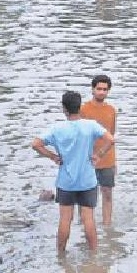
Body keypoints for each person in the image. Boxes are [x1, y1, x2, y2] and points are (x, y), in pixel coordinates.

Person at [33, 91, 113, 255]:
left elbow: (36, 144)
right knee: (88, 218)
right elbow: (110, 139)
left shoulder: (57, 128)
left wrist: (52, 156)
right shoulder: (90, 125)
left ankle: (61, 254)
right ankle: (93, 254)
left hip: (66, 181)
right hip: (87, 180)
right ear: (79, 107)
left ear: (64, 109)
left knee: (65, 219)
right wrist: (99, 155)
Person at [77, 75, 119, 229]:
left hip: (107, 159)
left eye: (105, 89)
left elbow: (111, 135)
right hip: (87, 159)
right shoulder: (83, 109)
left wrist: (114, 162)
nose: (102, 92)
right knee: (85, 194)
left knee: (107, 193)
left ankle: (107, 226)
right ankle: (84, 225)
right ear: (93, 89)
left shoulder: (111, 110)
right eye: (99, 89)